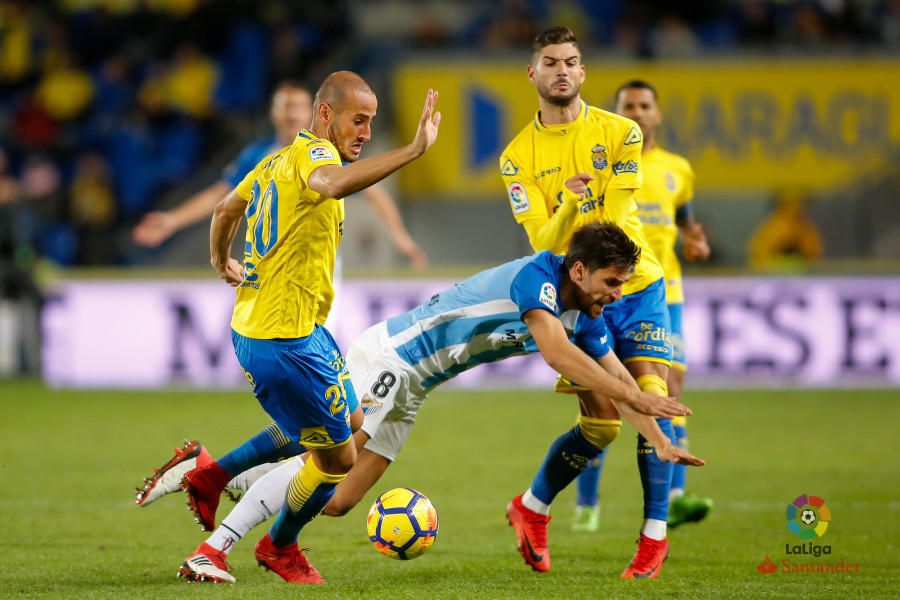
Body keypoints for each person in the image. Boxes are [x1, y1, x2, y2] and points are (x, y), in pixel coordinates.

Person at [135, 222, 704, 584]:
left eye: (625, 283)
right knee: (325, 459)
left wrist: (657, 436)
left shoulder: (587, 315)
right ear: (580, 270)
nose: (618, 294)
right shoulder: (541, 280)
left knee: (336, 499)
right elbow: (558, 356)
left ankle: (213, 472)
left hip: (417, 385)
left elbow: (611, 377)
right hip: (395, 358)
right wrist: (632, 392)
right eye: (612, 281)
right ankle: (223, 531)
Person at [196, 71, 441, 584]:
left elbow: (225, 209)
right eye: (359, 120)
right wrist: (412, 150)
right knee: (337, 462)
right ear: (325, 114)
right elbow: (331, 184)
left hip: (283, 329)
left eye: (372, 123)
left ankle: (217, 475)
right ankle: (262, 547)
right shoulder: (314, 157)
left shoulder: (273, 161)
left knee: (348, 423)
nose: (366, 133)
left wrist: (221, 262)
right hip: (284, 341)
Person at [498, 26, 677, 578]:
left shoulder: (621, 132)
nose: (562, 71)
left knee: (650, 397)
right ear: (533, 73)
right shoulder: (515, 157)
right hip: (576, 298)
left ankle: (654, 537)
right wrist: (567, 207)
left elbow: (619, 223)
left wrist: (577, 220)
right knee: (602, 426)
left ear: (583, 71)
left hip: (634, 283)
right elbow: (542, 245)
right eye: (550, 62)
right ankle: (531, 506)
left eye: (571, 62)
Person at [572, 80, 713, 533]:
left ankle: (674, 497)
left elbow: (687, 223)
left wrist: (695, 241)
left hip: (662, 291)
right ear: (615, 114)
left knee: (667, 386)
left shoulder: (679, 170)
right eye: (627, 106)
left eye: (644, 105)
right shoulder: (607, 164)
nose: (636, 112)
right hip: (610, 291)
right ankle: (587, 503)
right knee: (602, 399)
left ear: (656, 113)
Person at [132, 80, 428, 270]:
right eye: (284, 107)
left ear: (310, 112)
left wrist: (400, 237)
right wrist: (172, 220)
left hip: (315, 265)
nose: (290, 114)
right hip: (266, 265)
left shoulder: (325, 154)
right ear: (273, 114)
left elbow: (374, 193)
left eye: (297, 107)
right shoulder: (256, 155)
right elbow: (218, 195)